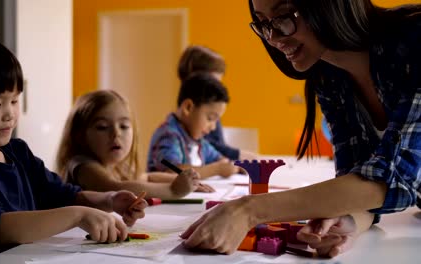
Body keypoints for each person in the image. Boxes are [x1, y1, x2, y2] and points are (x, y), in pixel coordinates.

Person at [180, 0, 421, 257]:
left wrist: (248, 209)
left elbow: (394, 180)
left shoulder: (414, 40)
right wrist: (347, 221)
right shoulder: (329, 76)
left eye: (283, 16)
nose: (272, 37)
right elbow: (360, 184)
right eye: (263, 24)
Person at [0, 34, 147, 263]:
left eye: (14, 101)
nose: (9, 114)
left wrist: (109, 200)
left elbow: (63, 194)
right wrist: (77, 215)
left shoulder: (18, 152)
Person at [55, 90, 214, 199]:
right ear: (79, 135)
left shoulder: (116, 164)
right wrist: (173, 190)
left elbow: (148, 178)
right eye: (102, 127)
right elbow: (114, 188)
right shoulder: (83, 165)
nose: (116, 134)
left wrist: (184, 182)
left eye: (124, 126)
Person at [147, 72, 240, 179]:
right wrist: (217, 169)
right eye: (210, 118)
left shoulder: (198, 140)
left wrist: (232, 165)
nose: (213, 127)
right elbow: (171, 171)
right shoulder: (168, 135)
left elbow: (219, 158)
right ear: (188, 108)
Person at [178, 45, 260, 160]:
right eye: (213, 82)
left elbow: (214, 147)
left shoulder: (208, 110)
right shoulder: (193, 117)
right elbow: (207, 146)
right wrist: (237, 155)